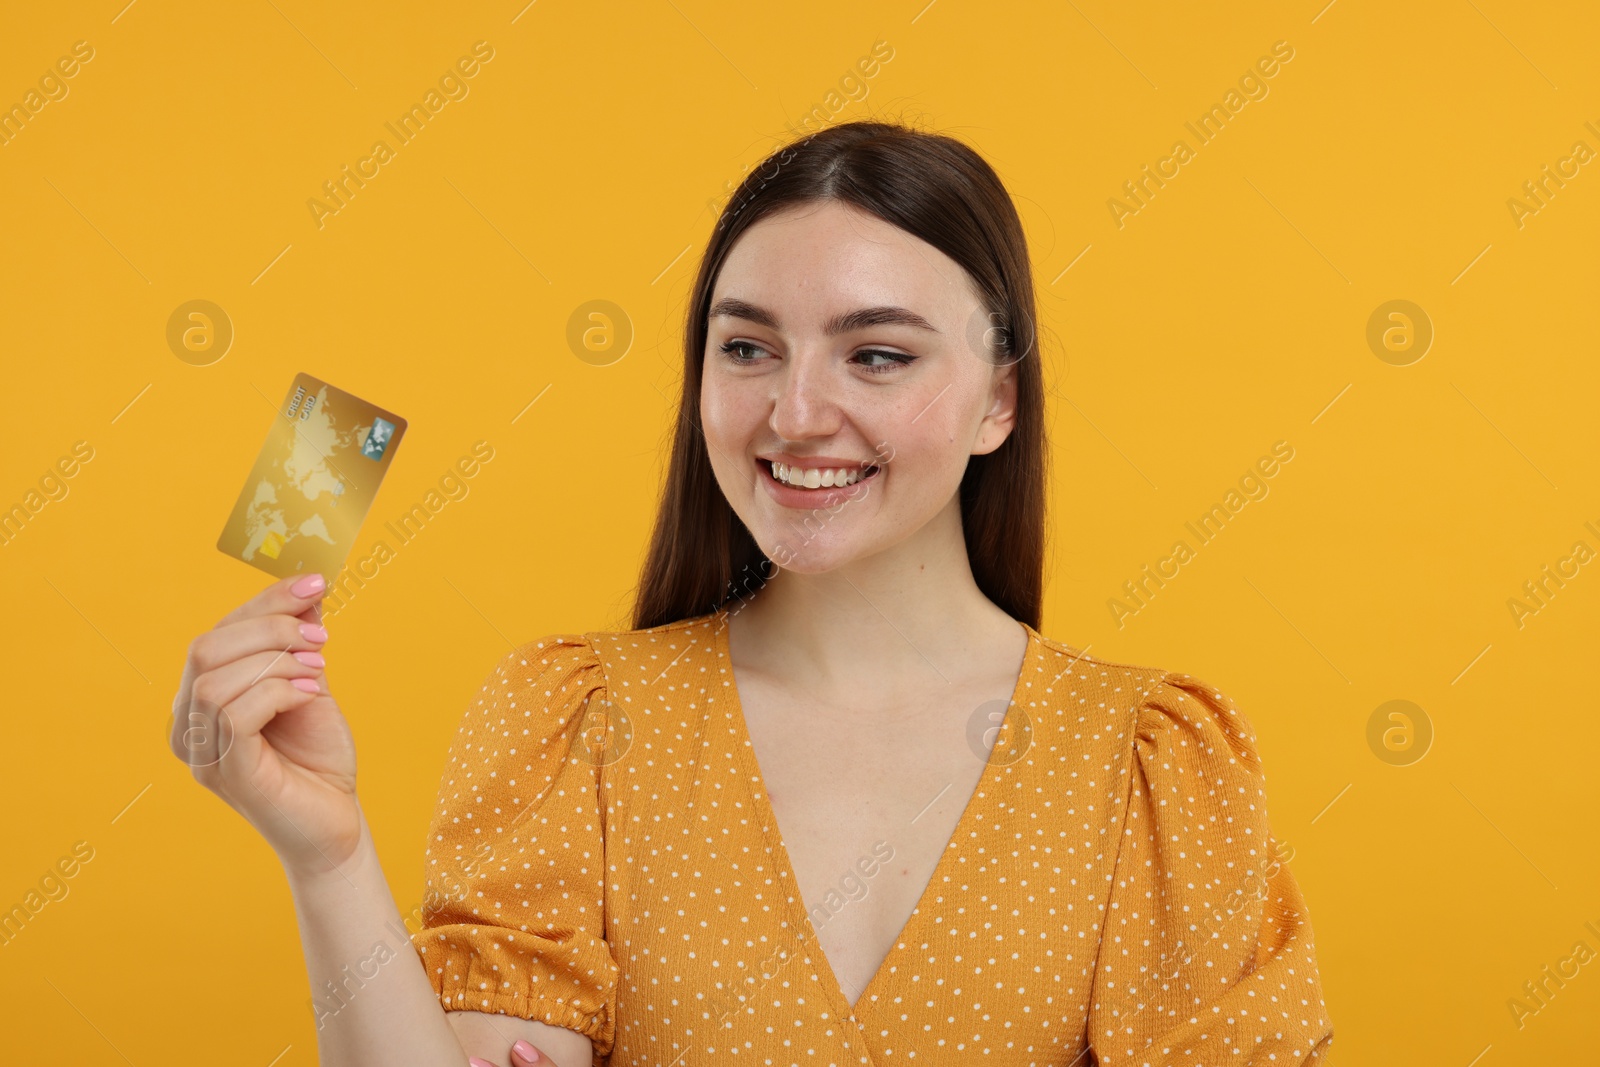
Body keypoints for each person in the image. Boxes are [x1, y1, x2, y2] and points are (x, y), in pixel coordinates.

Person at [173, 120, 1335, 1066]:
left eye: (875, 353)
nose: (792, 414)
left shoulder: (1155, 764)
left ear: (1000, 401)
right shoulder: (573, 723)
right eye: (747, 348)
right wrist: (325, 853)